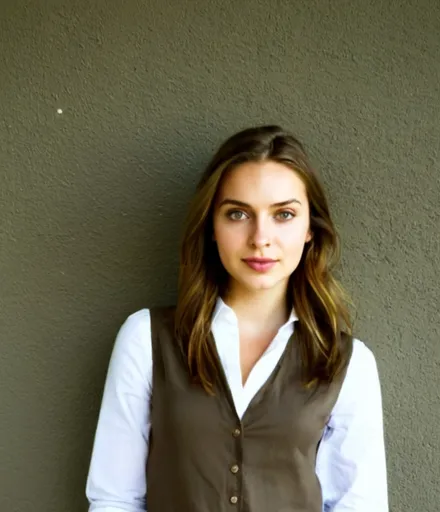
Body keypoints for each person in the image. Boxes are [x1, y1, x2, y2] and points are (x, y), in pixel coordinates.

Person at [85, 125, 388, 512]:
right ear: (212, 225)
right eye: (238, 213)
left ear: (310, 228)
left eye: (284, 214)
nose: (260, 237)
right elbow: (115, 499)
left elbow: (357, 506)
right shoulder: (146, 340)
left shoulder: (347, 363)